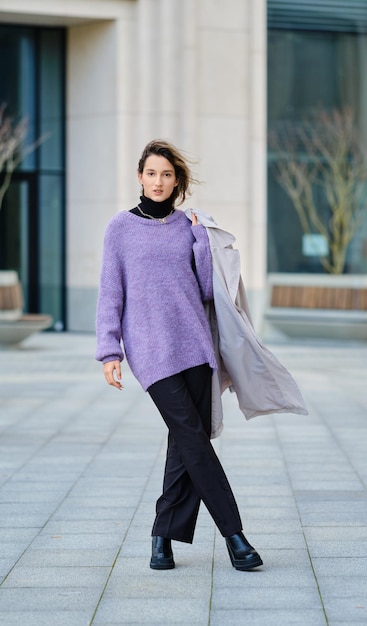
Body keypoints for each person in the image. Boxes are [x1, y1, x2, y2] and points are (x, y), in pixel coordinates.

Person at [95, 139, 263, 571]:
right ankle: (235, 536)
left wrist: (201, 242)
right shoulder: (120, 228)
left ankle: (162, 537)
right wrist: (109, 351)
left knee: (185, 443)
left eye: (167, 175)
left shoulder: (189, 226)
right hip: (152, 352)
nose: (158, 181)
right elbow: (111, 294)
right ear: (139, 176)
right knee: (192, 436)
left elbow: (209, 292)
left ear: (177, 181)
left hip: (195, 347)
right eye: (151, 173)